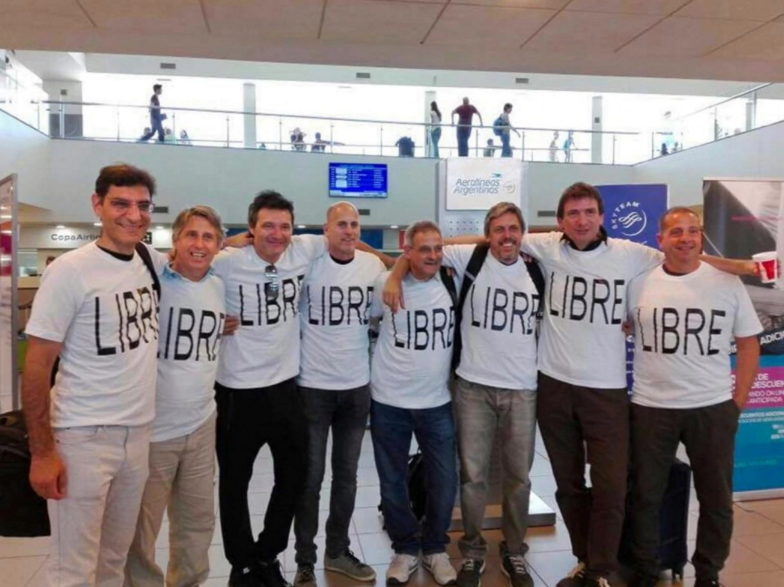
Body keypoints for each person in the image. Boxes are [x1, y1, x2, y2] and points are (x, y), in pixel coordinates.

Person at [516, 183, 755, 587]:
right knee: (617, 492)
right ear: (559, 222)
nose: (581, 220)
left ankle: (693, 573)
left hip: (680, 402)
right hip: (625, 400)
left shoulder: (638, 260)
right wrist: (399, 260)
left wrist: (736, 403)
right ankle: (618, 567)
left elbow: (744, 337)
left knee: (688, 497)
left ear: (602, 216)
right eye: (573, 213)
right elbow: (495, 235)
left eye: (589, 211)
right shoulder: (563, 253)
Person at [382, 204, 541, 587]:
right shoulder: (470, 257)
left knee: (519, 477)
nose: (506, 236)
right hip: (471, 385)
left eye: (513, 229)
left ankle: (514, 550)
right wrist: (394, 276)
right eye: (498, 230)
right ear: (487, 234)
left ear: (523, 232)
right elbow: (416, 252)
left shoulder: (540, 264)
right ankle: (471, 550)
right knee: (471, 477)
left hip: (522, 387)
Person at [23, 164, 163, 587]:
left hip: (137, 434)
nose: (133, 215)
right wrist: (43, 452)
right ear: (97, 205)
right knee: (73, 568)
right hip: (82, 436)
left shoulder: (146, 258)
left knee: (113, 559)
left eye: (142, 206)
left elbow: (199, 256)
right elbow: (36, 366)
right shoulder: (70, 270)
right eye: (121, 204)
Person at [627, 208, 762, 587]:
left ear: (701, 237)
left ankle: (708, 574)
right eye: (676, 232)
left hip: (712, 407)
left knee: (716, 500)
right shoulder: (639, 282)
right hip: (652, 407)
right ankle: (645, 569)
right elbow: (622, 327)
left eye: (693, 231)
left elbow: (749, 343)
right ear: (660, 240)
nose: (685, 238)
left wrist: (737, 402)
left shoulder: (726, 282)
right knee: (646, 497)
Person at [212, 191, 328, 587]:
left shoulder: (303, 249)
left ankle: (268, 552)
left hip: (284, 389)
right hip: (236, 391)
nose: (277, 235)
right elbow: (181, 268)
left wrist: (393, 268)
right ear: (252, 229)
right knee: (234, 483)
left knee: (296, 474)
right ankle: (242, 563)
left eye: (284, 226)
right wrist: (223, 243)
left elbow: (346, 239)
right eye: (268, 226)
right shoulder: (227, 262)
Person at [125, 206, 227, 587]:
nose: (199, 245)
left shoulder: (218, 285)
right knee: (141, 529)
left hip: (201, 424)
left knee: (197, 523)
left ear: (218, 245)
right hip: (153, 430)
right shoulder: (153, 280)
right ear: (176, 240)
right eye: (192, 235)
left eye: (208, 237)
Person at [292, 202, 387, 587]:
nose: (349, 231)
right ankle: (304, 560)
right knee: (310, 479)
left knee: (346, 477)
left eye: (355, 225)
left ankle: (337, 551)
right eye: (341, 225)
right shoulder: (306, 266)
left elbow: (385, 304)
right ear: (325, 230)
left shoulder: (372, 269)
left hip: (355, 388)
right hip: (312, 388)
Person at [370, 221, 459, 586]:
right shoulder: (384, 284)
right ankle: (405, 548)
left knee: (444, 478)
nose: (433, 256)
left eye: (438, 249)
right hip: (389, 400)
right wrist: (395, 272)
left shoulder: (452, 281)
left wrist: (407, 263)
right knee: (392, 481)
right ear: (407, 252)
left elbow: (480, 240)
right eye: (424, 249)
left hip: (436, 401)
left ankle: (436, 547)